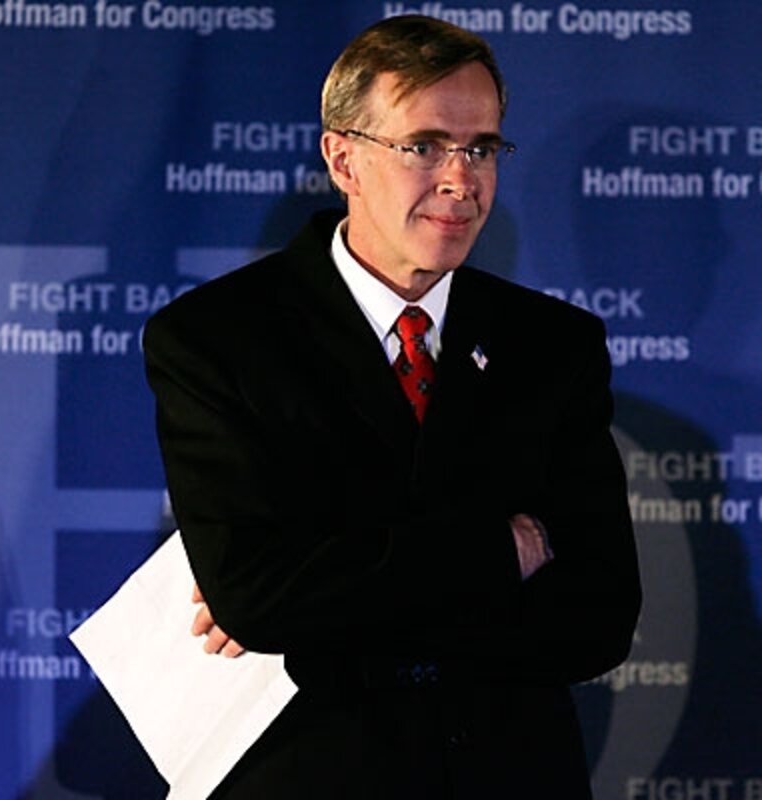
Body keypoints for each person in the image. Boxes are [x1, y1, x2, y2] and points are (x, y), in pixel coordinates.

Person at [142, 14, 641, 799]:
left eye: (482, 149)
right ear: (344, 158)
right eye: (425, 146)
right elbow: (258, 597)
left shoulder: (553, 345)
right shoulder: (217, 338)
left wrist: (339, 592)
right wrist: (502, 551)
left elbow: (598, 619)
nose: (461, 179)